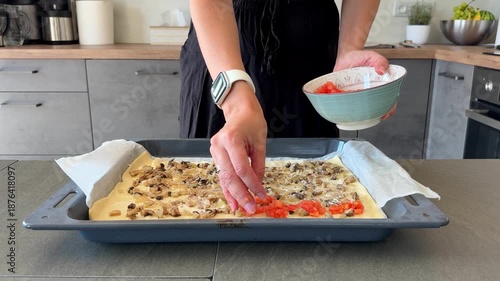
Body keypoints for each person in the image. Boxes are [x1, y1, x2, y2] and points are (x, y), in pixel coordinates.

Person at [179, 0, 390, 214]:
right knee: (207, 194)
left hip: (311, 48)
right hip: (221, 44)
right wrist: (235, 101)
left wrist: (349, 49)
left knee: (316, 195)